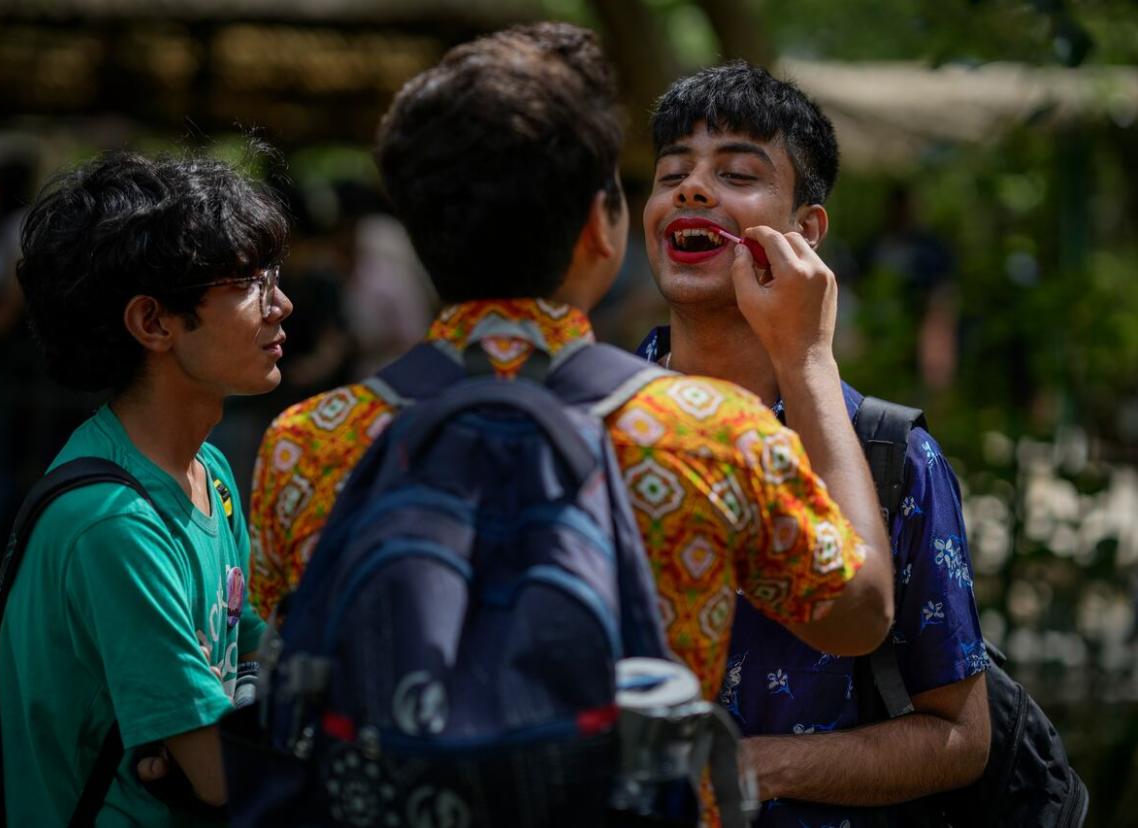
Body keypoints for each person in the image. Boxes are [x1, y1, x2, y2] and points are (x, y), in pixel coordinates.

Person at [249, 22, 893, 825]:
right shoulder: (709, 435)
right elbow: (860, 614)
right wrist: (809, 362)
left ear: (419, 230)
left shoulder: (308, 442)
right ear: (603, 227)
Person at [635, 62, 990, 827]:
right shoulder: (585, 427)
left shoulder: (895, 456)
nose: (692, 190)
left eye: (735, 173)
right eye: (672, 174)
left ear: (806, 232)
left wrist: (758, 766)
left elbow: (961, 736)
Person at [2, 150, 291, 824]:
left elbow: (250, 643)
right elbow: (225, 777)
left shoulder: (207, 470)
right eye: (250, 282)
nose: (281, 303)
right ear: (153, 323)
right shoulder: (115, 524)